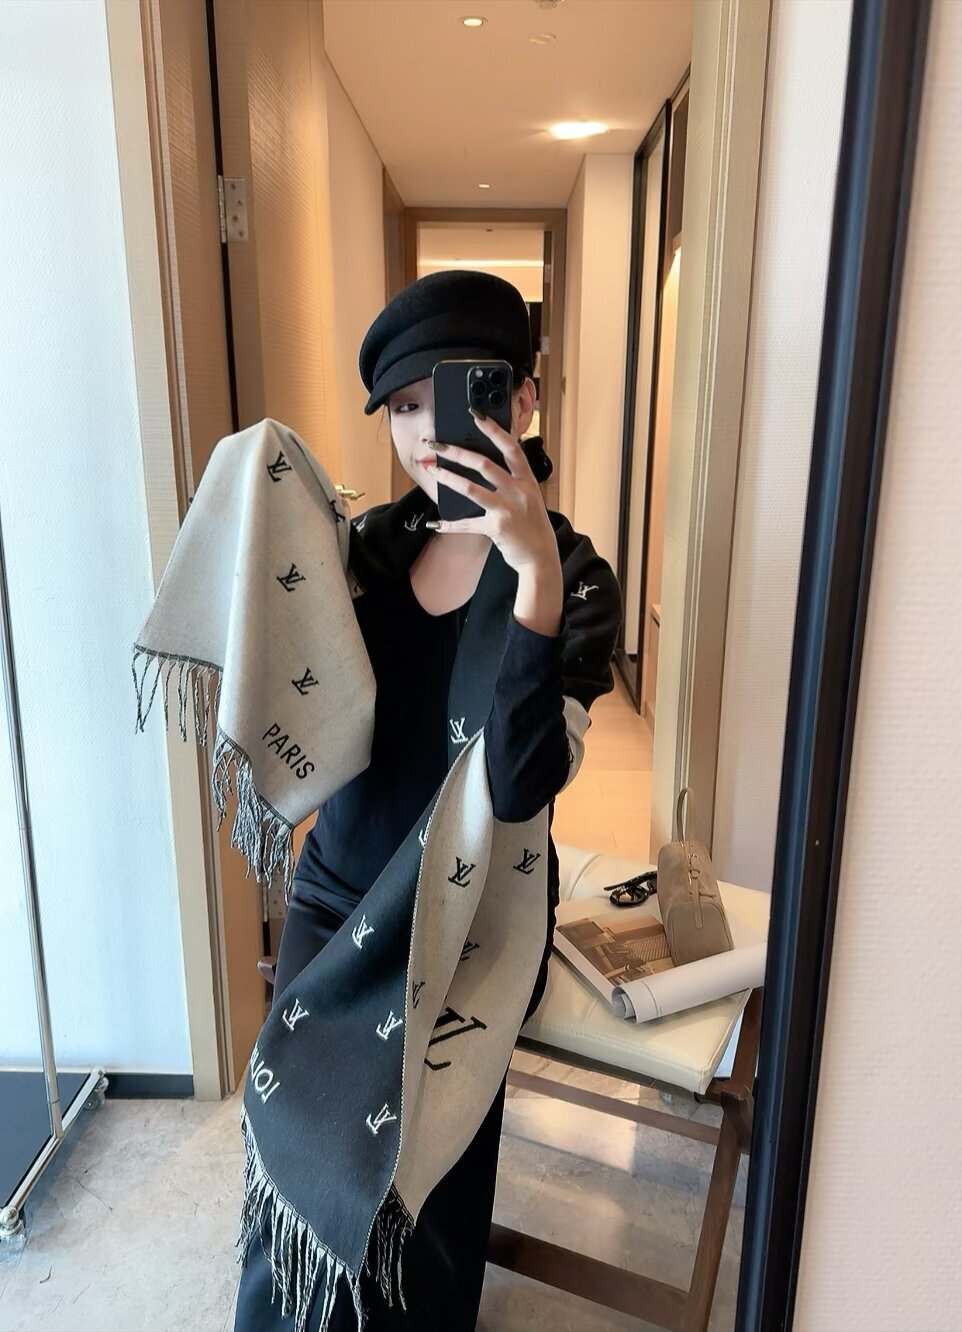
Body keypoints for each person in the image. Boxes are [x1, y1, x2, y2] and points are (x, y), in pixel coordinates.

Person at [234, 269, 622, 1331]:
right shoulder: (367, 550)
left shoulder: (578, 576)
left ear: (523, 400)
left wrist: (530, 577)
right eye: (404, 406)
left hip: (474, 925)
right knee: (291, 1137)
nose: (426, 430)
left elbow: (522, 783)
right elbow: (299, 714)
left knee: (423, 1190)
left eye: (459, 395)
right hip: (339, 896)